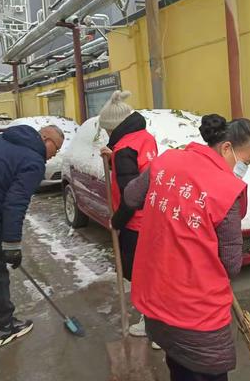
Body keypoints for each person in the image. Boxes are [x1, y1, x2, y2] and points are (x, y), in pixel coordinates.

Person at [123, 114, 250, 381]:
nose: (243, 169)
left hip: (157, 298)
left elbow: (131, 196)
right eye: (246, 162)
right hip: (197, 313)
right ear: (226, 148)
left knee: (178, 364)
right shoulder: (225, 188)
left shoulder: (167, 160)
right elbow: (230, 263)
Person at [0, 123, 64, 347]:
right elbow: (15, 204)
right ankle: (5, 328)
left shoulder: (2, 140)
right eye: (55, 150)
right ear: (46, 138)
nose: (52, 156)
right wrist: (12, 244)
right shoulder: (33, 161)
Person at [98, 90, 158, 339]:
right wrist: (115, 160)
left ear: (114, 128)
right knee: (155, 272)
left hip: (136, 224)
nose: (108, 135)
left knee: (140, 275)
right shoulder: (144, 137)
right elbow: (138, 172)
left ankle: (153, 327)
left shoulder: (124, 149)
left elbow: (131, 196)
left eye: (107, 130)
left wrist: (116, 221)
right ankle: (159, 324)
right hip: (154, 218)